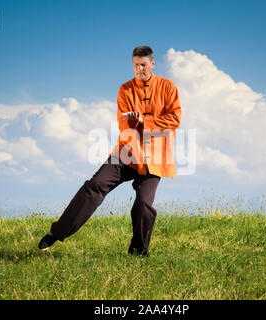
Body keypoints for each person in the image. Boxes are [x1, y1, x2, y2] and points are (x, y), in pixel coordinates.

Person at [38, 45, 181, 256]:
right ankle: (57, 232)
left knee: (143, 204)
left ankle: (138, 252)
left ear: (152, 64)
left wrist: (145, 120)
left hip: (155, 158)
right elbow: (123, 125)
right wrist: (133, 122)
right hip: (126, 152)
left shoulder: (168, 87)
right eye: (135, 65)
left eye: (143, 65)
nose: (139, 69)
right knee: (94, 186)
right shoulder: (124, 89)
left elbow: (174, 119)